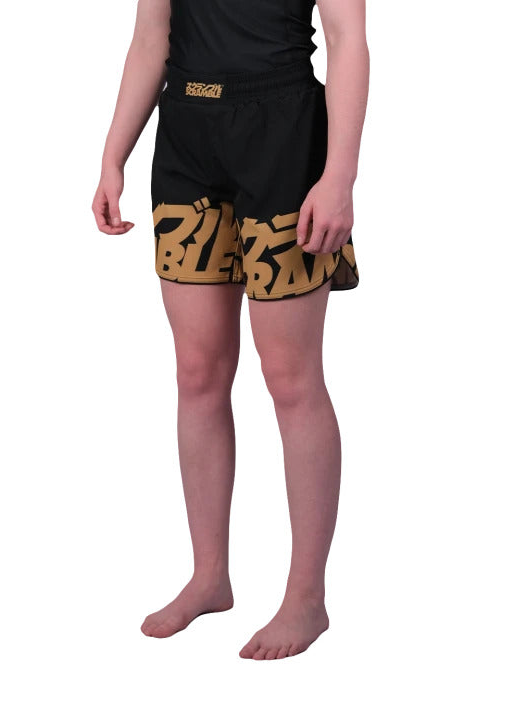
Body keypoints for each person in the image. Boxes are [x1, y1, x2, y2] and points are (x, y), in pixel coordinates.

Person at [92, 0, 369, 660]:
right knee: (197, 373)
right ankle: (209, 576)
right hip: (187, 135)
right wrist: (112, 156)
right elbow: (151, 37)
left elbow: (348, 39)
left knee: (291, 379)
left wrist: (339, 176)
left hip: (283, 134)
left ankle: (306, 596)